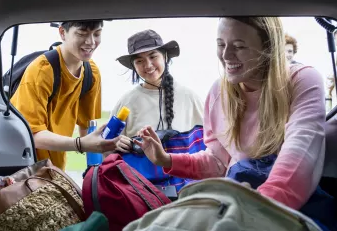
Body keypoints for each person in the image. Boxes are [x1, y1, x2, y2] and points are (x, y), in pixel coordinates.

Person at [135, 17, 326, 213]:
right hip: (239, 196)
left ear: (268, 47)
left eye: (239, 46)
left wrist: (256, 212)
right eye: (221, 44)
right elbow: (218, 162)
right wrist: (166, 159)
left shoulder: (302, 80)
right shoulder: (218, 92)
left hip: (282, 208)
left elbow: (299, 153)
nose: (226, 55)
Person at [10, 20, 119, 171]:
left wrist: (107, 145)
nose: (91, 42)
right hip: (24, 168)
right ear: (62, 33)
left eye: (97, 34)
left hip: (56, 168)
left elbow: (87, 127)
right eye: (81, 33)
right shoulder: (42, 71)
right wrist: (79, 144)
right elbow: (31, 135)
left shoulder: (91, 72)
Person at [110, 29, 204, 154]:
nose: (148, 65)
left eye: (153, 56)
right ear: (134, 66)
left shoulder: (190, 98)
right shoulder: (126, 102)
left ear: (164, 56)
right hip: (138, 174)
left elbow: (210, 143)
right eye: (139, 61)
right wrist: (115, 144)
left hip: (183, 173)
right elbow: (105, 148)